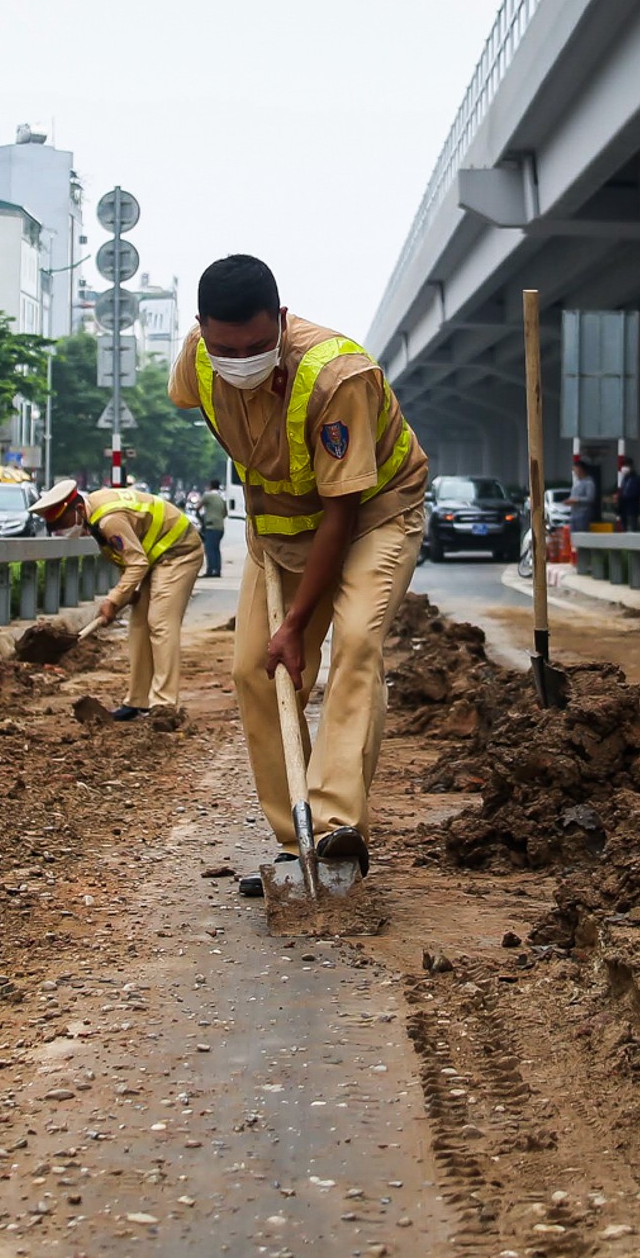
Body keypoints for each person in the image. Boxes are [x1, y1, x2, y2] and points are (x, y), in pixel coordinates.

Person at [168, 254, 429, 896]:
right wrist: (282, 633)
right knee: (252, 670)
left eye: (258, 346)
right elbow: (196, 401)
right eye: (226, 347)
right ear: (200, 327)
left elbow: (341, 513)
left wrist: (296, 622)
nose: (241, 360)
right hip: (279, 528)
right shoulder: (197, 358)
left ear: (282, 321)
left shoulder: (337, 376)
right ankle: (298, 843)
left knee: (358, 647)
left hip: (372, 516)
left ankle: (338, 828)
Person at [29, 479, 202, 721]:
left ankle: (164, 703)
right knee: (139, 624)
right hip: (153, 557)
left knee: (160, 622)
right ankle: (137, 700)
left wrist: (112, 600)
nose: (60, 530)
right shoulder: (94, 518)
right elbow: (128, 558)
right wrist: (127, 595)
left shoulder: (109, 520)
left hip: (179, 552)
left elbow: (137, 561)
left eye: (62, 523)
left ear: (78, 510)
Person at [197, 479, 228, 577]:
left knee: (209, 549)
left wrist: (201, 518)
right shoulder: (221, 498)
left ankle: (210, 571)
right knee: (216, 549)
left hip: (211, 526)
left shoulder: (208, 496)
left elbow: (198, 507)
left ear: (210, 486)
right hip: (220, 527)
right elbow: (225, 513)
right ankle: (217, 570)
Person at [568, 458, 598, 531]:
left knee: (581, 536)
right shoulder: (577, 482)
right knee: (573, 537)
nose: (574, 472)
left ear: (580, 469)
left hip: (583, 514)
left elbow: (590, 498)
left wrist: (576, 500)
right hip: (574, 513)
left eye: (575, 469)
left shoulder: (589, 483)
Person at [615, 457, 640, 532]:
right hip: (623, 509)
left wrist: (621, 496)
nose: (624, 468)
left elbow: (632, 494)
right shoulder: (625, 478)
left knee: (631, 528)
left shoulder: (636, 479)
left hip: (632, 509)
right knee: (624, 527)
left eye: (626, 466)